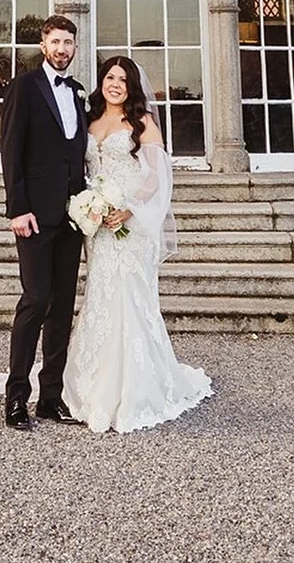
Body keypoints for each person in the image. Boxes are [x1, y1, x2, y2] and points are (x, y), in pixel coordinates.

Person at [61, 55, 212, 434]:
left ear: (132, 86)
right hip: (99, 223)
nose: (115, 84)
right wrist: (91, 208)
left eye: (122, 79)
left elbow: (157, 178)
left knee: (131, 296)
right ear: (102, 81)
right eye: (110, 77)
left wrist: (127, 210)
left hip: (132, 223)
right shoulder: (90, 117)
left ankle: (136, 386)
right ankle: (92, 378)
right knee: (100, 295)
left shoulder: (141, 122)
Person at [0, 15, 88, 432]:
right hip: (33, 216)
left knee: (62, 307)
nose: (62, 49)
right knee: (34, 301)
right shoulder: (25, 87)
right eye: (56, 41)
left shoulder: (78, 93)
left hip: (72, 218)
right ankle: (17, 398)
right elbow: (11, 149)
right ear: (42, 44)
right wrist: (17, 208)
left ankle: (51, 398)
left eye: (68, 42)